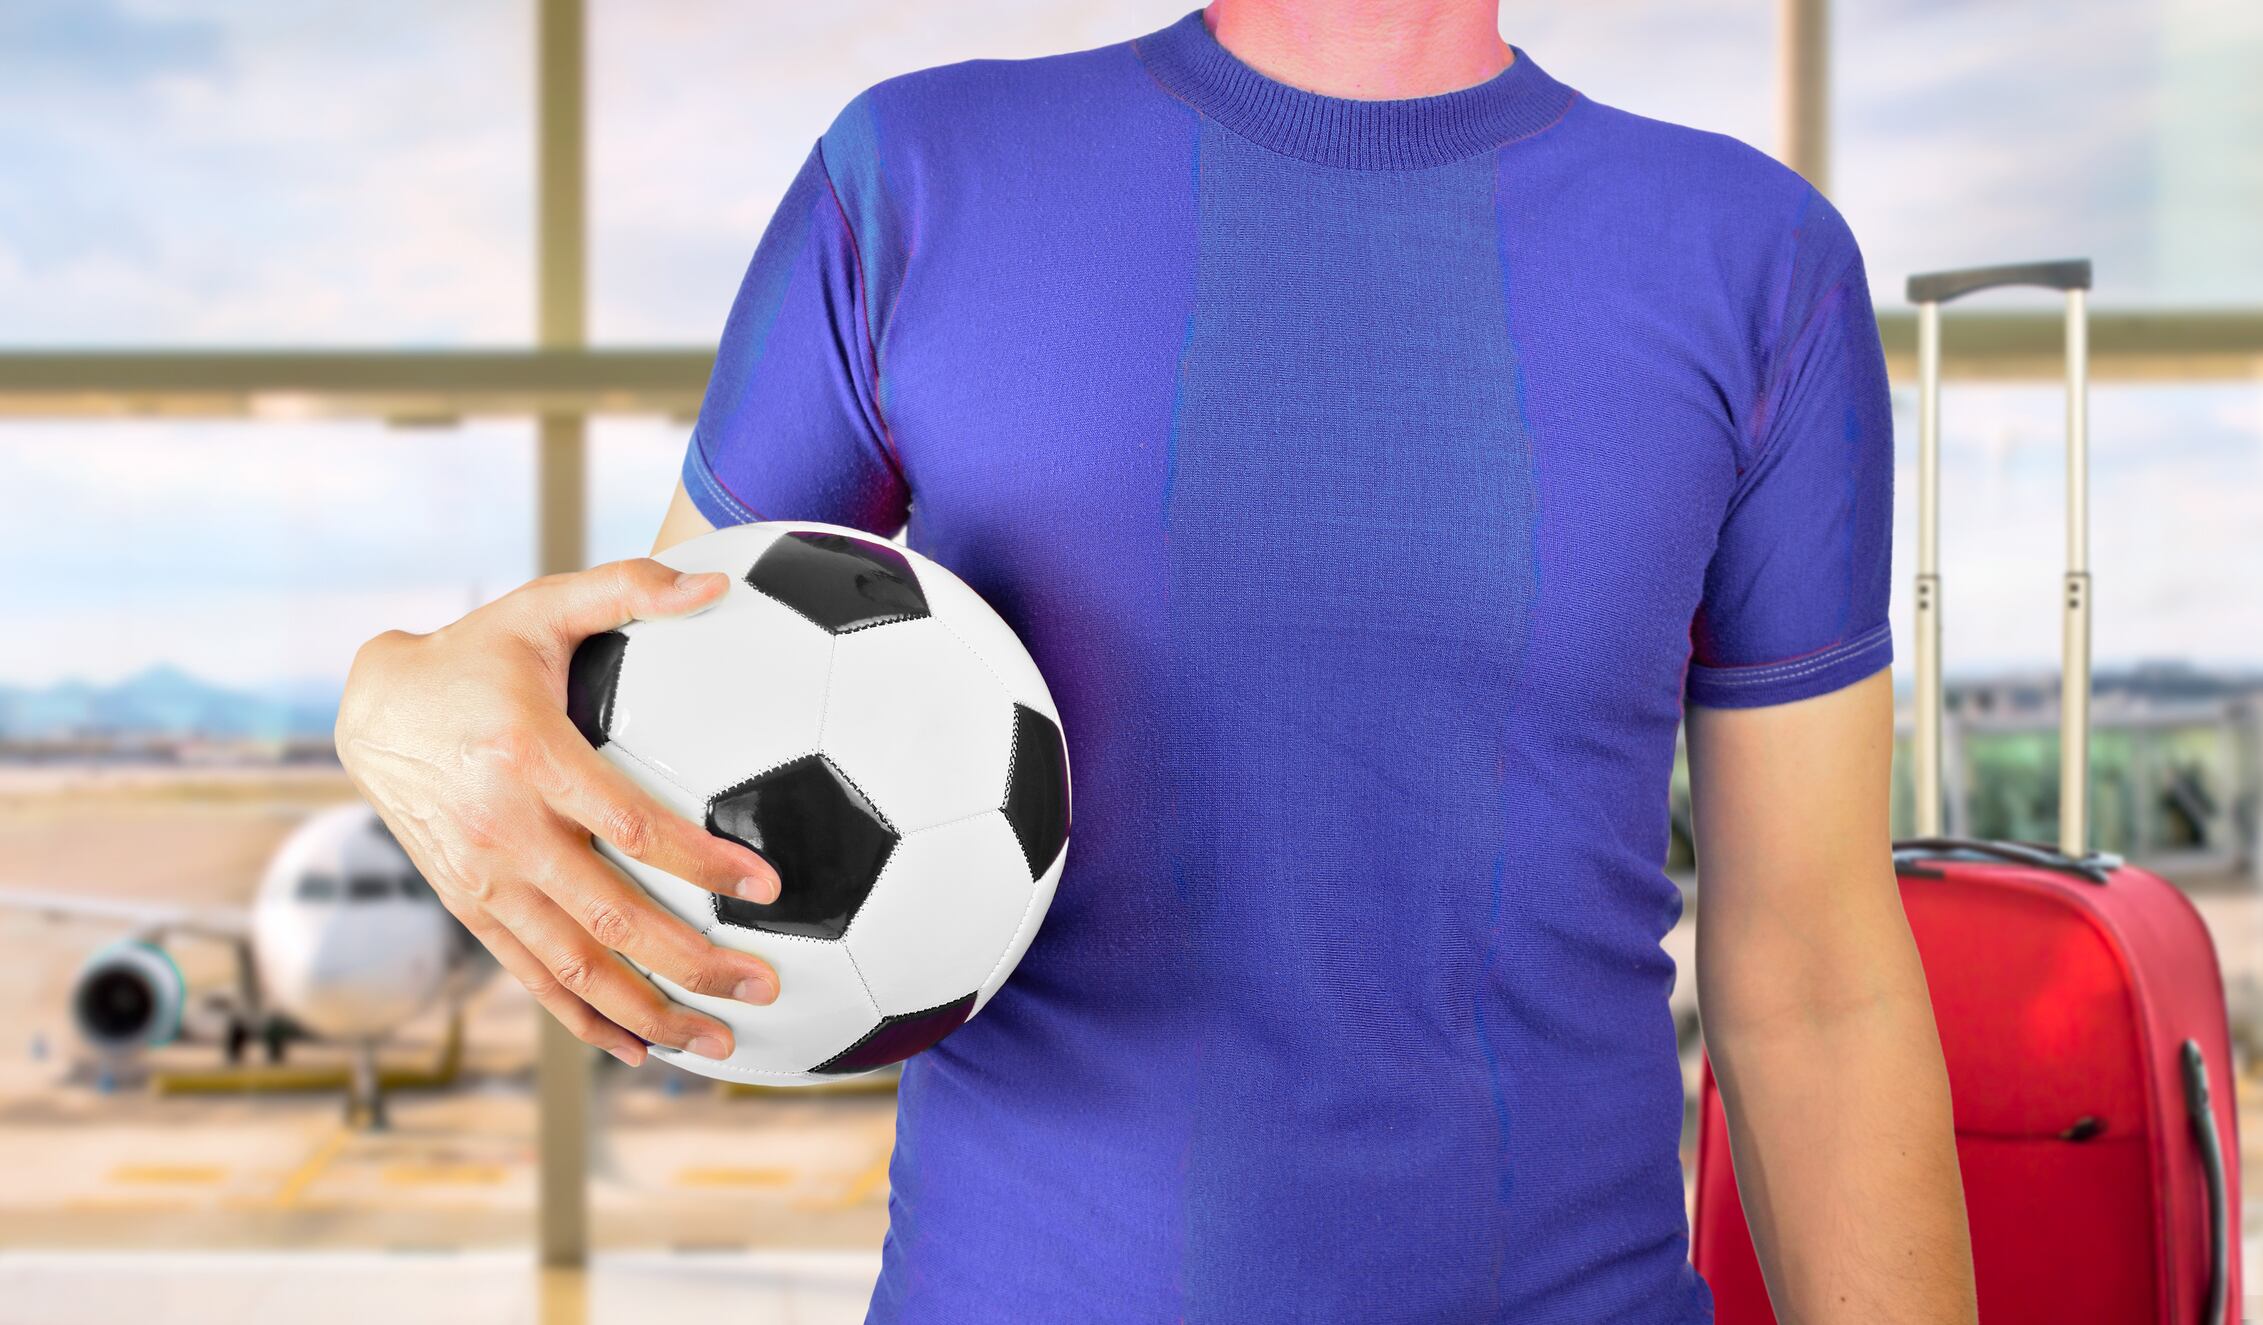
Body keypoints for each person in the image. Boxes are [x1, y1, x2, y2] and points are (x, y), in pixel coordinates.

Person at [336, 2, 1978, 1319]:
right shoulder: (913, 181)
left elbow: (1817, 973)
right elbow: (652, 742)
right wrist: (390, 697)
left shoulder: (1758, 265)